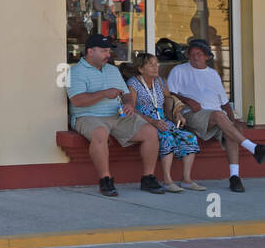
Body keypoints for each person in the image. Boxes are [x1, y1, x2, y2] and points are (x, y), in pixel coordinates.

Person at [66, 33, 162, 197]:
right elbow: (77, 101)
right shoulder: (74, 72)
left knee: (150, 132)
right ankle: (105, 179)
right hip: (88, 116)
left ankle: (148, 177)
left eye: (108, 51)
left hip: (116, 115)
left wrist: (129, 104)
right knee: (100, 132)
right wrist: (104, 93)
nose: (108, 55)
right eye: (104, 51)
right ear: (90, 51)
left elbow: (125, 94)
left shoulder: (112, 70)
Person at [167, 38, 262, 193]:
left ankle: (234, 177)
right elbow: (168, 93)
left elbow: (224, 103)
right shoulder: (179, 71)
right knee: (219, 117)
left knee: (231, 132)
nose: (195, 57)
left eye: (199, 54)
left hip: (216, 116)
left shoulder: (213, 74)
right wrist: (187, 100)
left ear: (207, 57)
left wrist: (232, 120)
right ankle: (253, 148)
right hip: (192, 114)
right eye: (192, 54)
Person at [126, 52, 202, 192]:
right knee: (167, 138)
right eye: (151, 65)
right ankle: (167, 181)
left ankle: (186, 180)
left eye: (156, 64)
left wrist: (177, 113)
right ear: (141, 69)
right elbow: (132, 109)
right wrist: (153, 122)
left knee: (189, 137)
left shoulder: (161, 82)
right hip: (144, 122)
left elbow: (170, 100)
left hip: (162, 120)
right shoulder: (133, 83)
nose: (156, 68)